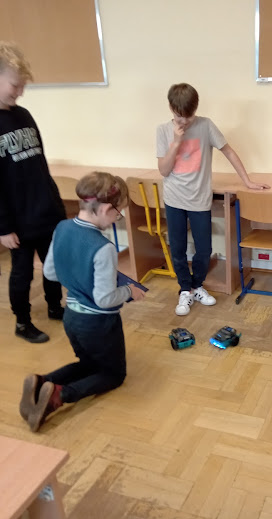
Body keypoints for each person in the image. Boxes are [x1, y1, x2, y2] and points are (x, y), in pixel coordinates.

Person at [19, 172, 145, 433]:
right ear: (106, 209)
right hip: (98, 324)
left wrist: (78, 276)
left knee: (88, 364)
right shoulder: (103, 247)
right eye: (118, 213)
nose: (117, 218)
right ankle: (59, 395)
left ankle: (43, 382)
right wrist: (129, 292)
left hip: (72, 319)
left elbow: (50, 273)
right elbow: (104, 299)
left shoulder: (62, 227)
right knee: (113, 375)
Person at [157, 83, 269, 316]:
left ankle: (197, 285)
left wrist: (247, 181)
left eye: (189, 116)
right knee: (177, 248)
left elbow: (228, 151)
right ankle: (185, 289)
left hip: (199, 199)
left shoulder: (206, 125)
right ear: (170, 108)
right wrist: (176, 142)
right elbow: (164, 170)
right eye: (179, 116)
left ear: (196, 109)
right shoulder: (163, 130)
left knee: (204, 248)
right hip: (174, 198)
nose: (184, 121)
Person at [0, 42, 66, 343]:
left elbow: (40, 165)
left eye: (23, 86)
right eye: (15, 85)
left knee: (53, 266)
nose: (20, 92)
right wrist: (3, 228)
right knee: (22, 272)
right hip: (17, 222)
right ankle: (23, 322)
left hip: (45, 211)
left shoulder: (24, 115)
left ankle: (55, 306)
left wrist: (56, 205)